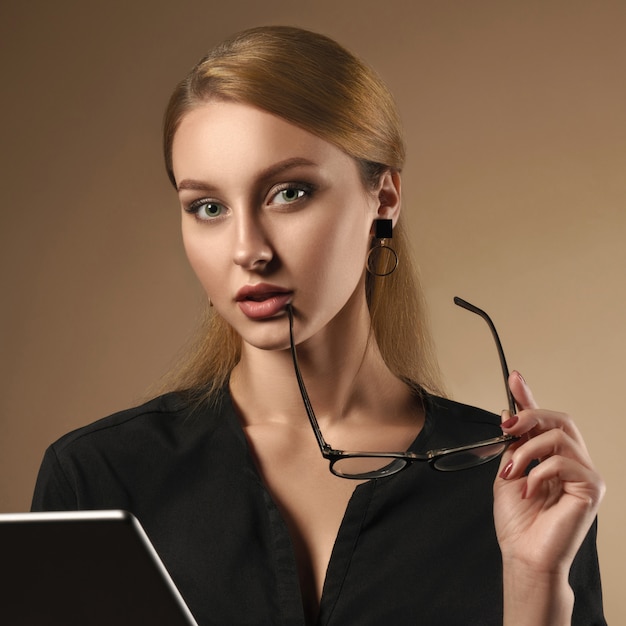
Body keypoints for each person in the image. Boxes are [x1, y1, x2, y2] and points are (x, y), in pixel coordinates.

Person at [32, 25, 606, 625]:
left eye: (289, 193)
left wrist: (536, 585)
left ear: (383, 198)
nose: (247, 249)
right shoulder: (96, 479)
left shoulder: (520, 484)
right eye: (208, 208)